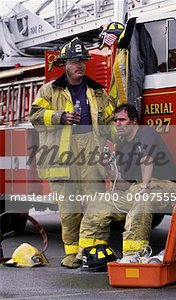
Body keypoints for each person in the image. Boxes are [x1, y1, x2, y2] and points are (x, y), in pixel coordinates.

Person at [30, 37, 115, 268]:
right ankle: (72, 253)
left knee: (95, 204)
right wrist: (60, 117)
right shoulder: (50, 90)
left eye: (82, 61)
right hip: (62, 156)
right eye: (74, 61)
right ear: (64, 65)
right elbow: (35, 116)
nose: (80, 65)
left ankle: (92, 251)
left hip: (91, 153)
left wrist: (130, 142)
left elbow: (110, 122)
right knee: (69, 209)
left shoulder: (97, 92)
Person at [77, 104, 176, 266]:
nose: (117, 124)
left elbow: (148, 159)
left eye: (122, 120)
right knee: (98, 204)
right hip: (135, 188)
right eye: (115, 120)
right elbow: (123, 186)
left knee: (141, 203)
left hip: (164, 186)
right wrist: (107, 167)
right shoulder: (123, 145)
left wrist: (145, 186)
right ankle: (90, 254)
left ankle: (133, 256)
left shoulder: (146, 133)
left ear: (133, 121)